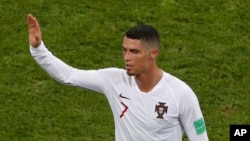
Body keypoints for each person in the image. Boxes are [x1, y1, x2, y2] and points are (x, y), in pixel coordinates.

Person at [27, 14, 209, 141]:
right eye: (125, 50)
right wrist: (38, 49)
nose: (126, 57)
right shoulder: (114, 81)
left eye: (134, 52)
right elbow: (69, 75)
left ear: (153, 54)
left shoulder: (181, 94)